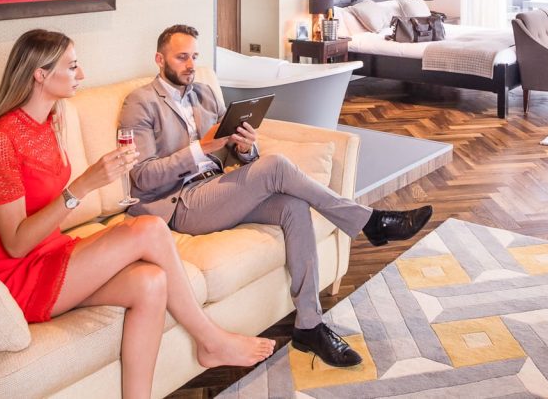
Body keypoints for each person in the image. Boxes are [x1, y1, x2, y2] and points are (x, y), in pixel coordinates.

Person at [0, 29, 274, 398]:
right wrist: (82, 186)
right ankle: (211, 339)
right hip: (13, 275)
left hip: (49, 253)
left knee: (151, 282)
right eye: (72, 67)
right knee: (149, 229)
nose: (81, 75)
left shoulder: (49, 122)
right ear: (40, 74)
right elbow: (15, 244)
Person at [120, 24, 434, 368]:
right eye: (182, 57)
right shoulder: (141, 103)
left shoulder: (204, 93)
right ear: (159, 59)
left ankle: (309, 325)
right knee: (276, 166)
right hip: (179, 203)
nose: (191, 65)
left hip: (217, 189)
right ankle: (371, 221)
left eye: (194, 56)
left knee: (293, 206)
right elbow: (142, 176)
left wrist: (245, 148)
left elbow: (231, 152)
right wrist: (200, 149)